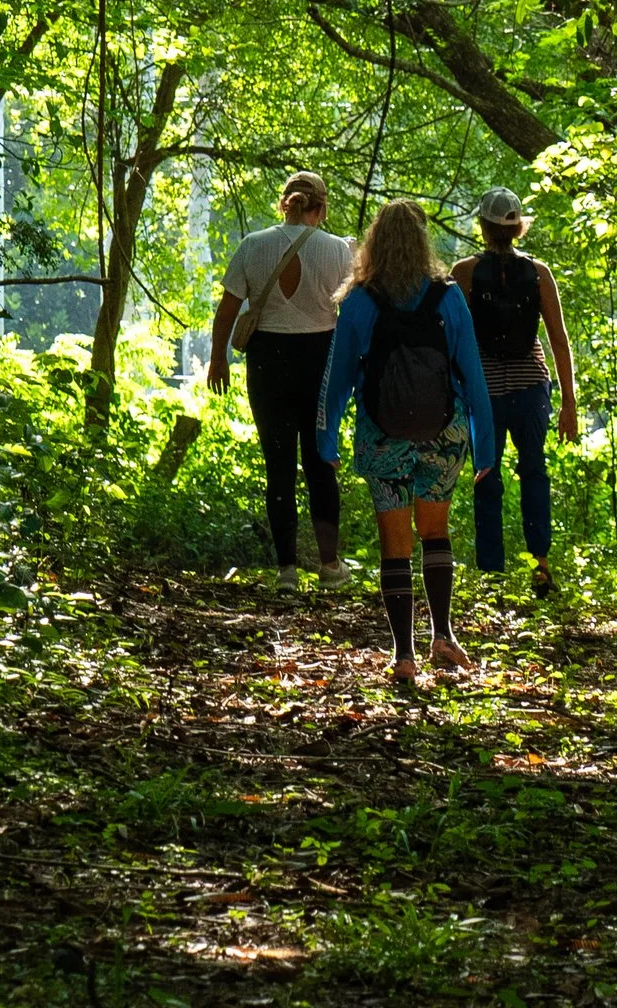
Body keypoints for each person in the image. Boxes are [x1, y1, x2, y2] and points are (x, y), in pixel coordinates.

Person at [319, 196, 498, 692]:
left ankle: (403, 654)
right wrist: (486, 446)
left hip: (382, 436)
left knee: (394, 547)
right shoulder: (447, 296)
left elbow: (337, 379)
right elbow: (473, 375)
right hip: (444, 434)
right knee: (434, 533)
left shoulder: (359, 300)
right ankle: (442, 635)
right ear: (422, 243)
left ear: (375, 241)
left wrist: (324, 435)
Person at [207, 170, 355, 575]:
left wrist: (218, 358)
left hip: (267, 361)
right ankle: (329, 565)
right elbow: (356, 311)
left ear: (283, 204)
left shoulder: (253, 246)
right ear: (320, 209)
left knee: (279, 465)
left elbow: (227, 310)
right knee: (320, 462)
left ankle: (287, 570)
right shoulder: (339, 252)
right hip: (319, 360)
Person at [452, 189, 579, 596]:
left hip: (484, 391)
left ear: (484, 227)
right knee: (534, 473)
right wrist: (569, 403)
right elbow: (558, 339)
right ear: (518, 227)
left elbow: (451, 339)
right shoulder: (538, 272)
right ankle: (541, 565)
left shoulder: (465, 272)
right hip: (530, 389)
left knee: (486, 476)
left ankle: (492, 573)